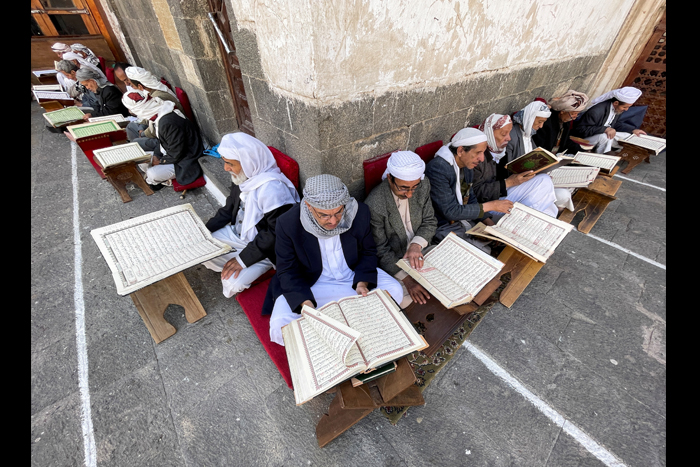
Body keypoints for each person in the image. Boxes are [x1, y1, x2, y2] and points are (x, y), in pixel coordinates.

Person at [263, 174, 404, 346]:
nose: (334, 221)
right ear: (308, 206)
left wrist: (362, 283)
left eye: (338, 212)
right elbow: (287, 270)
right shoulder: (288, 223)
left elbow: (368, 251)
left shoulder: (359, 212)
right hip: (313, 284)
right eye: (324, 215)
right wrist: (305, 304)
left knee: (394, 290)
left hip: (351, 277)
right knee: (280, 324)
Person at [201, 133, 300, 298]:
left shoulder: (273, 190)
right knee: (200, 250)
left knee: (232, 283)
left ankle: (250, 265)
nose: (225, 168)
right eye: (225, 162)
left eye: (229, 163)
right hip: (238, 235)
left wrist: (242, 260)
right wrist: (202, 231)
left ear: (248, 162)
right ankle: (231, 261)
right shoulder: (244, 177)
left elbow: (276, 233)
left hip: (267, 249)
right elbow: (227, 210)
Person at [365, 151, 437, 306]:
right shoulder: (375, 204)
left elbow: (430, 222)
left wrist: (416, 245)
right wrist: (408, 280)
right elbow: (380, 249)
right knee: (401, 299)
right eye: (404, 188)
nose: (410, 194)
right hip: (397, 261)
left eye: (414, 187)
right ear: (390, 178)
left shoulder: (423, 186)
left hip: (421, 250)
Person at [425, 128, 513, 253]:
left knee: (505, 239)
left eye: (483, 153)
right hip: (443, 225)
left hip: (464, 220)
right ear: (460, 150)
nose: (482, 159)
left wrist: (490, 225)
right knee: (480, 254)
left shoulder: (466, 165)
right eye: (478, 153)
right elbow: (450, 211)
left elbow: (470, 197)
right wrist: (492, 205)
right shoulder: (438, 168)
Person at [472, 112, 559, 218]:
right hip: (490, 206)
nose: (509, 138)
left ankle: (523, 220)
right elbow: (476, 193)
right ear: (489, 133)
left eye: (509, 133)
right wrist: (508, 182)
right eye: (504, 134)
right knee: (544, 181)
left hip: (503, 193)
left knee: (551, 210)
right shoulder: (478, 157)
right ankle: (518, 220)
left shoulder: (501, 152)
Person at [121, 89, 203, 188]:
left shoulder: (167, 122)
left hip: (186, 159)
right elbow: (164, 141)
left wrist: (161, 161)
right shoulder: (162, 112)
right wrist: (156, 155)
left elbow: (177, 152)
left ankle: (160, 181)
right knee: (142, 160)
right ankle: (161, 177)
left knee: (152, 174)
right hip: (174, 152)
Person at [123, 66, 184, 151]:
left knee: (136, 142)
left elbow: (158, 124)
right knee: (131, 127)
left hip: (168, 133)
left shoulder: (159, 97)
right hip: (156, 126)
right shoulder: (150, 92)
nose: (131, 87)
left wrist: (143, 134)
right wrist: (141, 128)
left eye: (133, 86)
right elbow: (149, 117)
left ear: (140, 86)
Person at [572, 86, 647, 154]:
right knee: (605, 136)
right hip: (583, 139)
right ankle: (603, 158)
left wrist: (633, 130)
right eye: (625, 107)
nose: (627, 110)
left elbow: (616, 124)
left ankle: (625, 154)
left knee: (628, 136)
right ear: (616, 103)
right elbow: (580, 130)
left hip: (602, 133)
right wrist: (605, 129)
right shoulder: (596, 111)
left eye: (628, 107)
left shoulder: (617, 109)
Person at [532, 90, 590, 155]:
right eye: (573, 114)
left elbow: (566, 141)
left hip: (557, 154)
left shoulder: (565, 122)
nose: (575, 117)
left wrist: (582, 151)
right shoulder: (546, 122)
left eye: (577, 114)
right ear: (562, 112)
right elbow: (540, 145)